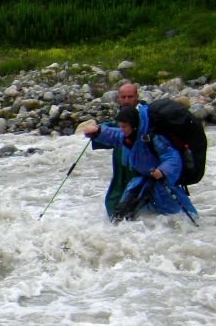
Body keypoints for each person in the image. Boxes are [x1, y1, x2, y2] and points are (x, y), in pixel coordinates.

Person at [81, 108, 197, 221]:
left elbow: (172, 157)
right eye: (120, 126)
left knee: (179, 218)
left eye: (124, 126)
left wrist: (163, 171)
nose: (122, 129)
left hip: (163, 183)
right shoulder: (128, 135)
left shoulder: (153, 137)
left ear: (133, 125)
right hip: (143, 181)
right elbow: (114, 134)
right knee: (123, 216)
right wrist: (98, 131)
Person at [92, 81, 142, 218]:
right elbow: (115, 130)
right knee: (115, 198)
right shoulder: (120, 116)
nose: (126, 100)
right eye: (124, 97)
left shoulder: (144, 114)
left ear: (137, 96)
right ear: (119, 98)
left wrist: (99, 132)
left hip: (139, 167)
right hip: (121, 166)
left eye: (130, 97)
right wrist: (98, 132)